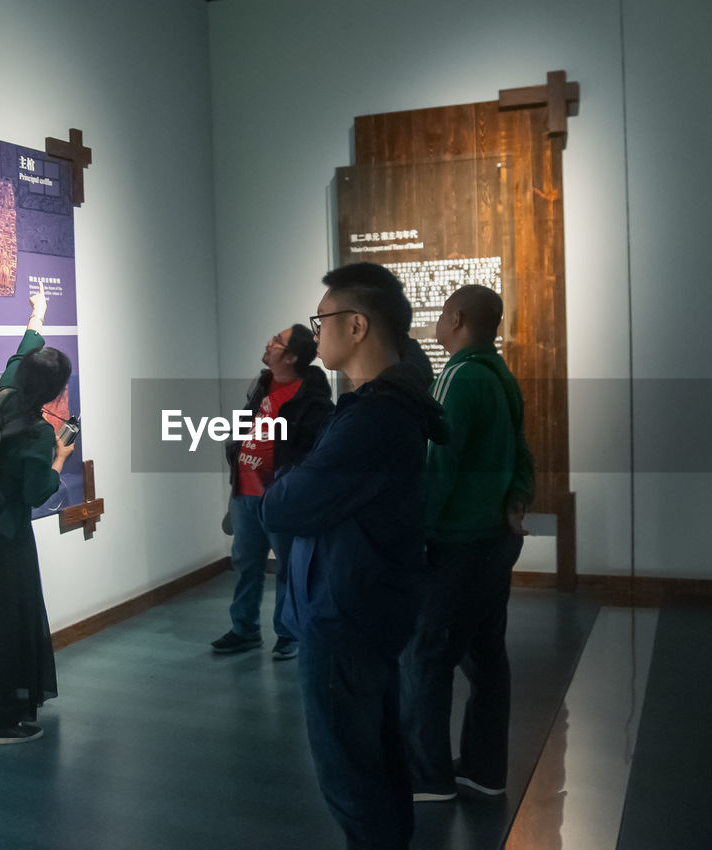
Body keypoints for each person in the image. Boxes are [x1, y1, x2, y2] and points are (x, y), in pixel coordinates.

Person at [261, 262, 446, 850]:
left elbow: (285, 506)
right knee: (378, 762)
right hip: (360, 603)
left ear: (359, 326)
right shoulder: (385, 403)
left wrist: (288, 476)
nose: (318, 331)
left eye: (324, 319)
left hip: (344, 615)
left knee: (352, 779)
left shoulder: (373, 418)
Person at [400, 285, 534, 802]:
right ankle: (483, 767)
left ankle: (426, 777)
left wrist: (411, 537)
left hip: (456, 544)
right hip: (496, 542)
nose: (436, 321)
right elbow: (522, 453)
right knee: (485, 659)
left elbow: (438, 466)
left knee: (425, 657)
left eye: (440, 314)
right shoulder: (502, 377)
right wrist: (518, 498)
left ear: (455, 317)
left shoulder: (456, 376)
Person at [0, 284, 75, 745]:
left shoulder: (3, 396)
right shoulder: (38, 434)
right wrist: (61, 456)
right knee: (6, 625)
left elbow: (22, 352)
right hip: (5, 537)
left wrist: (38, 314)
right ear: (56, 391)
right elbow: (38, 491)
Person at [212, 324, 333, 658]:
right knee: (246, 562)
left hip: (280, 496)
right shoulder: (261, 384)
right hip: (246, 491)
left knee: (287, 566)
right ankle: (244, 629)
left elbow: (311, 450)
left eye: (277, 342)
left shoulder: (313, 398)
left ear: (292, 356)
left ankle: (289, 632)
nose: (269, 343)